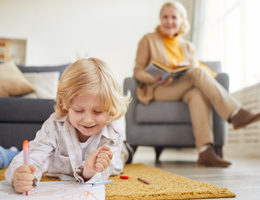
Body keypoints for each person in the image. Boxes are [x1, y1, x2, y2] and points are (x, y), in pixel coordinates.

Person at [133, 1, 260, 167]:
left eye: (173, 17)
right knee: (198, 72)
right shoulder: (148, 40)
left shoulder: (188, 47)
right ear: (160, 19)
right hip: (158, 88)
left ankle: (205, 151)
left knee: (197, 94)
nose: (169, 21)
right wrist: (153, 78)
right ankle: (236, 113)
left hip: (183, 88)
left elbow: (196, 71)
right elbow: (137, 71)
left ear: (181, 21)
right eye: (165, 17)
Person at [5, 58, 132, 193]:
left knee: (122, 156)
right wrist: (19, 176)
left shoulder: (114, 130)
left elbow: (104, 173)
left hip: (116, 156)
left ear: (111, 108)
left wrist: (88, 171)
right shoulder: (54, 126)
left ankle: (127, 150)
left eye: (97, 111)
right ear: (65, 103)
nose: (88, 120)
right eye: (78, 110)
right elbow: (33, 156)